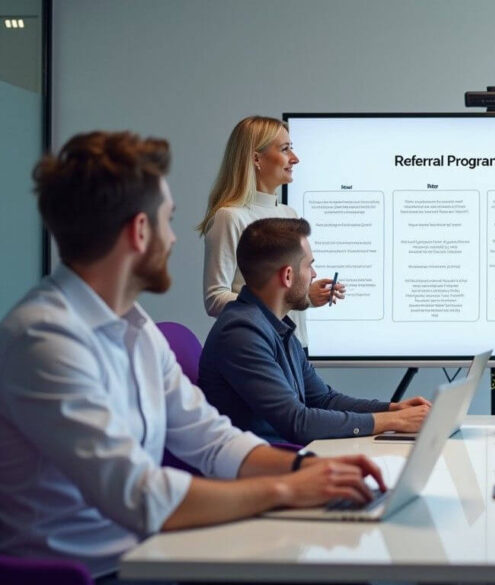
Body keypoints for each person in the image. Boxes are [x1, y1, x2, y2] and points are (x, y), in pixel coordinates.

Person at [0, 131, 385, 579]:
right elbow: (140, 495)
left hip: (151, 554)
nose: (174, 238)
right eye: (169, 220)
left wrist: (308, 469)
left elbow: (210, 438)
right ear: (139, 231)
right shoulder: (46, 340)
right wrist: (287, 487)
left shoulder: (134, 325)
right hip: (93, 573)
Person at [199, 217, 432, 444]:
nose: (313, 274)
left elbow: (323, 399)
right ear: (288, 275)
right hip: (267, 472)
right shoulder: (241, 334)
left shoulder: (278, 327)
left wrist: (393, 409)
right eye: (309, 265)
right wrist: (393, 421)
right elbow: (298, 422)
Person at [197, 115, 341, 347]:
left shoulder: (290, 214)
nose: (295, 159)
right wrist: (285, 301)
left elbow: (284, 296)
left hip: (294, 348)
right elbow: (215, 299)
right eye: (285, 150)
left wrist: (307, 297)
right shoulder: (230, 217)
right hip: (258, 348)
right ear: (256, 158)